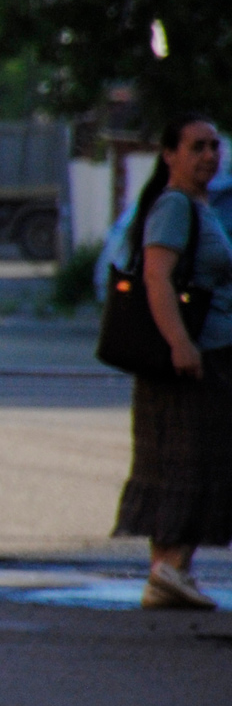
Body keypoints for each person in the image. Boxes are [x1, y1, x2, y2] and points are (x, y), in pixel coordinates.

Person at [114, 115, 232, 609]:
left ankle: (172, 571)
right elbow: (157, 278)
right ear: (170, 155)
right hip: (192, 353)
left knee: (195, 460)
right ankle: (167, 566)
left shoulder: (199, 206)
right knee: (186, 460)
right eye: (196, 147)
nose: (208, 156)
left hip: (210, 348)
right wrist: (181, 344)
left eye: (214, 146)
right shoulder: (175, 206)